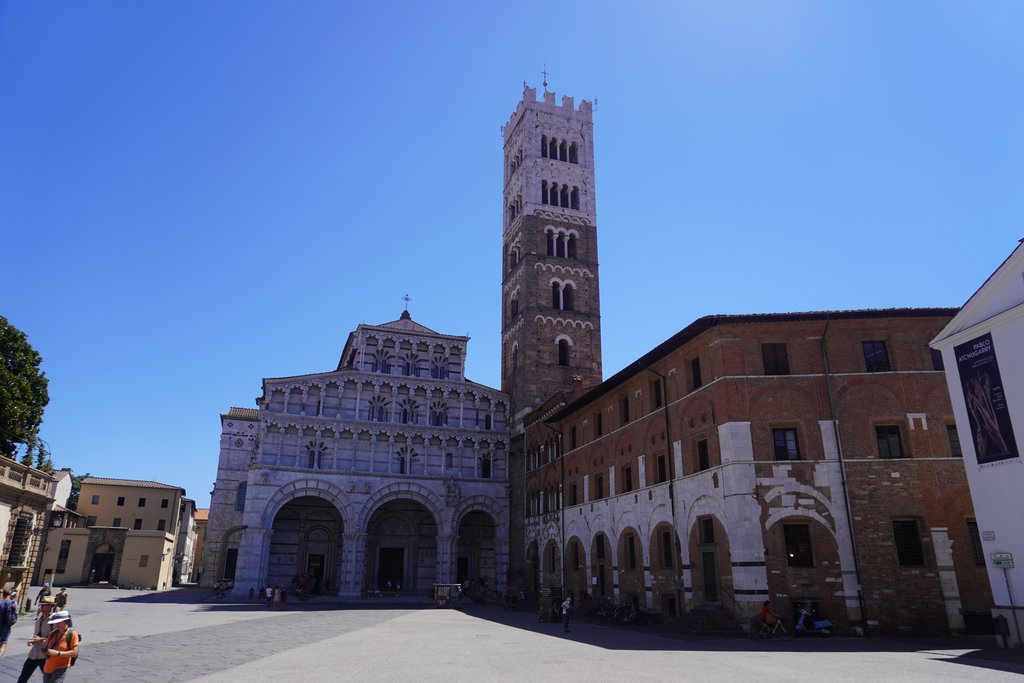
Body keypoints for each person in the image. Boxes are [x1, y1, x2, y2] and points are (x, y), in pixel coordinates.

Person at [17, 596, 55, 683]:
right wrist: (33, 641)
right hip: (34, 654)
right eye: (41, 604)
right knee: (22, 679)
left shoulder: (54, 620)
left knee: (49, 680)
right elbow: (37, 634)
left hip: (45, 656)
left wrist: (40, 639)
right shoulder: (39, 619)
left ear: (50, 606)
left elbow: (55, 638)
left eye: (44, 605)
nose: (41, 606)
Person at [41, 610, 78, 682]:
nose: (57, 624)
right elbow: (46, 647)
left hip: (61, 667)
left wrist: (57, 653)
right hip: (48, 667)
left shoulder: (72, 634)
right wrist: (45, 651)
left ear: (66, 621)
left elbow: (74, 652)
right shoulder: (53, 633)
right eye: (56, 622)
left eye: (59, 622)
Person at [1, 589, 18, 657]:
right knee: (3, 643)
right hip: (6, 626)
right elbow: (15, 615)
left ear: (3, 594)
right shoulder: (13, 603)